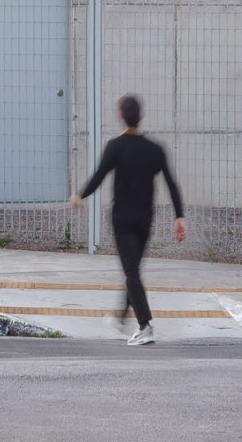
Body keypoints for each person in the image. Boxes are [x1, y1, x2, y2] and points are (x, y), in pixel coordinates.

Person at [75, 93, 186, 345]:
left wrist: (79, 195)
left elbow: (99, 176)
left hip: (122, 219)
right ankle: (121, 317)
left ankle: (145, 325)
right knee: (133, 269)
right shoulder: (155, 149)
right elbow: (171, 183)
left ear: (120, 117)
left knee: (131, 271)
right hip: (145, 219)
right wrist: (180, 216)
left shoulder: (115, 147)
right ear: (141, 116)